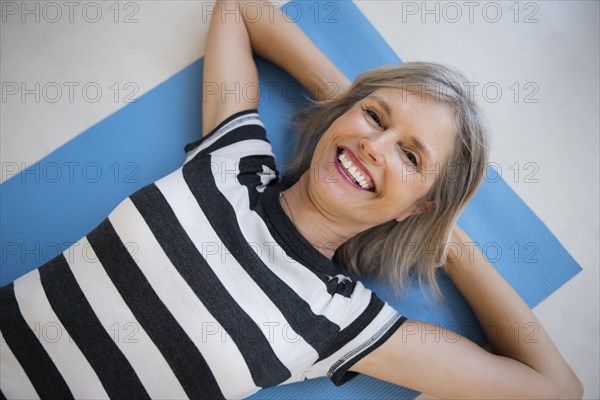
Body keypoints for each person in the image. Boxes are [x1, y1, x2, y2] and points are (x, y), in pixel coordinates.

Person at [0, 1, 582, 399]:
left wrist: (444, 231)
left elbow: (556, 388)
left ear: (419, 207)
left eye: (411, 156)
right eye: (376, 117)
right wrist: (351, 110)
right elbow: (241, 10)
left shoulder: (344, 321)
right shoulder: (234, 163)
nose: (376, 145)